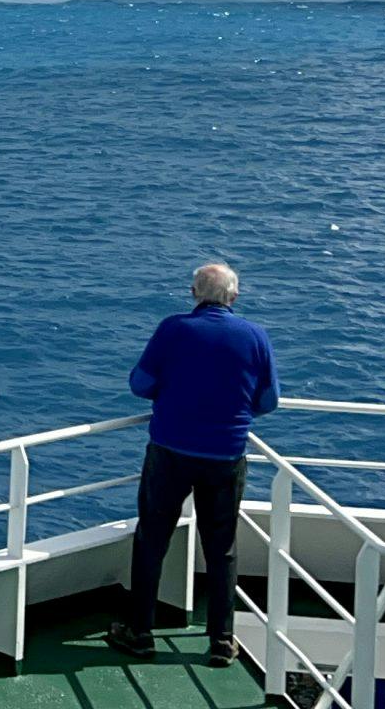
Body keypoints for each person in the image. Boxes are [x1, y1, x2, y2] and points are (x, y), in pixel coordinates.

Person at [109, 262, 279, 669]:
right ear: (234, 296)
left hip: (171, 451)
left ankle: (140, 631)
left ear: (193, 294)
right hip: (226, 456)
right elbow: (268, 401)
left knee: (152, 539)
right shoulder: (255, 336)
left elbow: (140, 384)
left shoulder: (174, 329)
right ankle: (221, 640)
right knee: (221, 549)